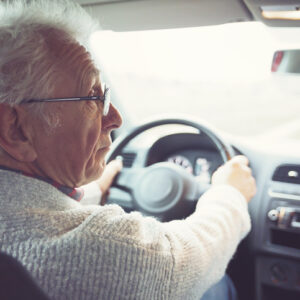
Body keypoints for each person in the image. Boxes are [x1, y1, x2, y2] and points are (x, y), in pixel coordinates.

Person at [0, 1, 256, 299]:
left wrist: (93, 191)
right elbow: (191, 258)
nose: (114, 118)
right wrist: (230, 195)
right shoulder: (99, 246)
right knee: (217, 287)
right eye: (91, 97)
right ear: (15, 130)